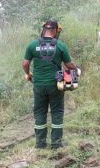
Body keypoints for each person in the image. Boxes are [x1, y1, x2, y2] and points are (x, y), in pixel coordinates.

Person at [22, 20, 79, 149]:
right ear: (55, 31)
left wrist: (29, 74)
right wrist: (76, 70)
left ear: (44, 30)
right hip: (56, 85)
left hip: (39, 85)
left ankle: (40, 143)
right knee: (57, 112)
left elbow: (25, 64)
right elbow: (69, 66)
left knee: (40, 112)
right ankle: (56, 144)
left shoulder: (32, 45)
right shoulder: (61, 46)